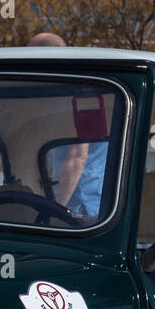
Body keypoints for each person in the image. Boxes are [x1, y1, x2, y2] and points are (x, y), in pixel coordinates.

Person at [25, 32, 107, 223]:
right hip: (71, 200)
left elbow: (78, 156)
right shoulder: (58, 96)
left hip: (83, 206)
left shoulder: (83, 94)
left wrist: (54, 210)